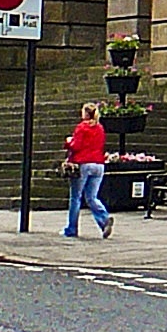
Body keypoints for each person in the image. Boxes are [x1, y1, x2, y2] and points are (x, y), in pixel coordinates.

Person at [62, 100, 114, 240]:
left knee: (76, 197)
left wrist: (68, 142)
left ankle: (71, 228)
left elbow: (76, 146)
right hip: (99, 164)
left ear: (86, 113)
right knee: (92, 197)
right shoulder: (100, 128)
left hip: (83, 163)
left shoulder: (81, 127)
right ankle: (104, 219)